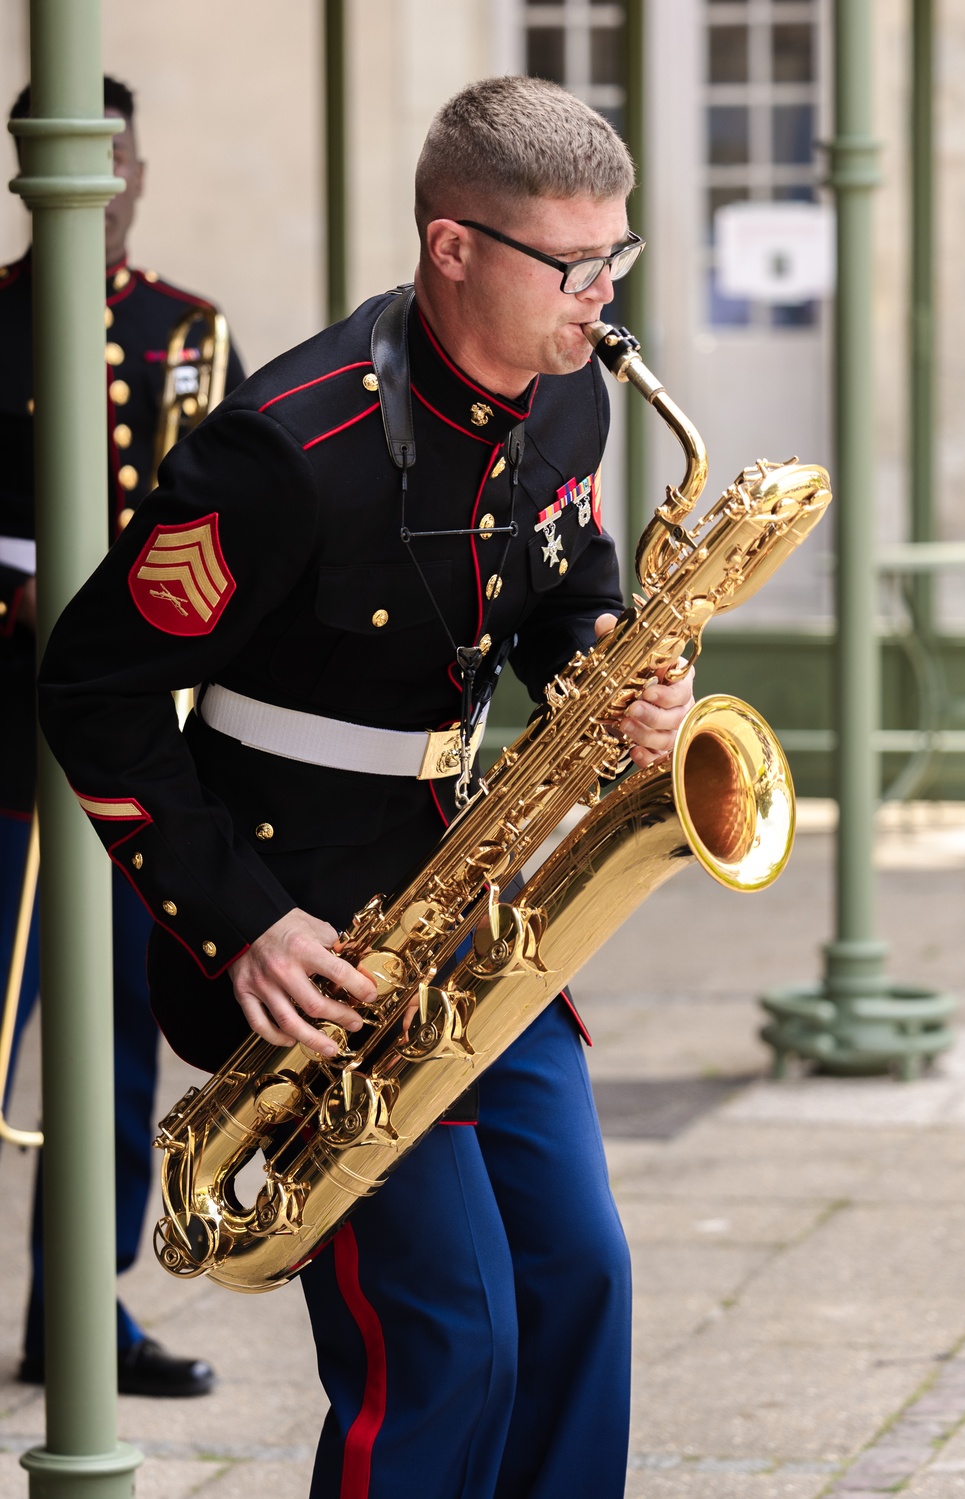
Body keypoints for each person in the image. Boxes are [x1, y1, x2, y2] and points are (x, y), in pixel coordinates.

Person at [38, 76, 694, 1494]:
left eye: (616, 260)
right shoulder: (285, 449)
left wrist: (611, 665)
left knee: (581, 1276)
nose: (602, 301)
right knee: (448, 1340)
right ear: (452, 249)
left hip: (468, 909)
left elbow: (560, 586)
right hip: (306, 945)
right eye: (573, 268)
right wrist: (245, 923)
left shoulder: (569, 392)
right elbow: (92, 688)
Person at [0, 74, 245, 1396]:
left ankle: (78, 1314)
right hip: (0, 767)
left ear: (137, 170)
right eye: (67, 157)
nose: (100, 180)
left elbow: (236, 545)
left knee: (110, 1062)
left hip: (137, 767)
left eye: (116, 155)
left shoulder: (187, 336)